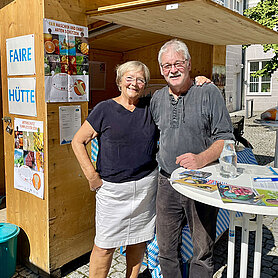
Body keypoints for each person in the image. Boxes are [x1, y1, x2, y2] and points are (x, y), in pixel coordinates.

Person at [150, 39, 234, 278]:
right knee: (166, 249)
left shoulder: (208, 91)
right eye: (166, 66)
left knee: (202, 251)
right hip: (167, 184)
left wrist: (201, 159)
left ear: (188, 64)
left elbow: (227, 139)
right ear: (161, 69)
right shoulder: (157, 99)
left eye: (177, 63)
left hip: (201, 181)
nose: (172, 70)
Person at [72, 61, 158, 278]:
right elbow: (78, 141)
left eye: (140, 79)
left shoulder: (150, 107)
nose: (134, 83)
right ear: (119, 81)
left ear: (145, 85)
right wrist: (91, 176)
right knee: (104, 246)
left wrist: (198, 81)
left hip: (146, 187)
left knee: (138, 240)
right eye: (129, 78)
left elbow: (176, 93)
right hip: (112, 191)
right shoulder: (104, 109)